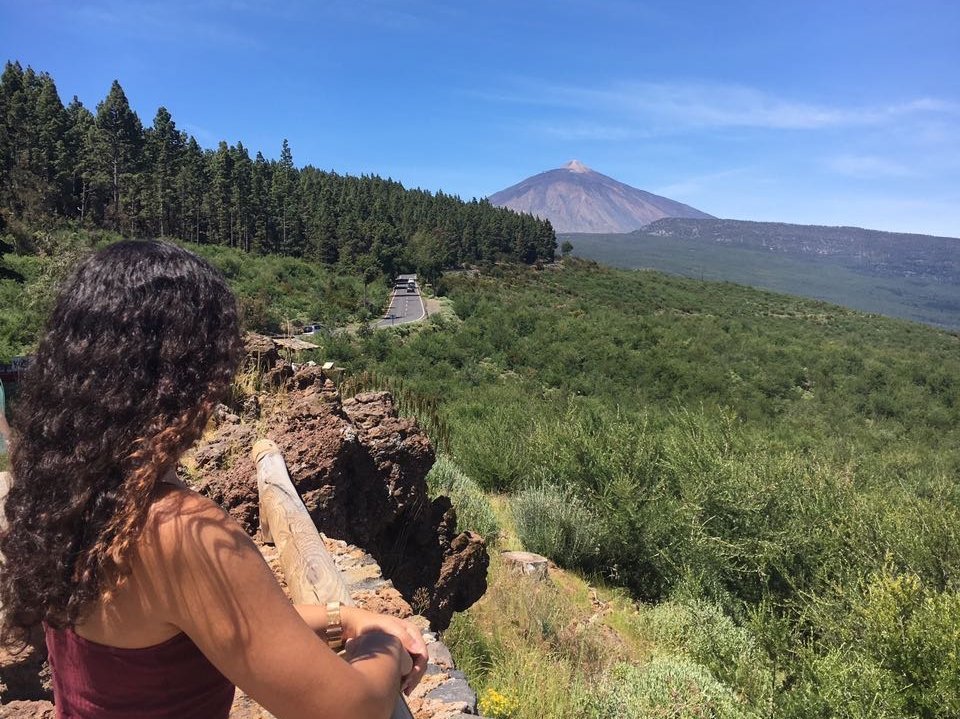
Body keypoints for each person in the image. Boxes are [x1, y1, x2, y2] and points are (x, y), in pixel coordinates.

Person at [0, 240, 426, 719]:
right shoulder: (178, 531)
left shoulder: (67, 499)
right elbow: (350, 708)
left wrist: (342, 618)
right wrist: (384, 644)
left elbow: (213, 625)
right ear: (190, 376)